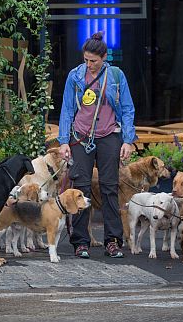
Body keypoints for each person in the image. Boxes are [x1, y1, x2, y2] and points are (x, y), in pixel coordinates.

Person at [57, 32, 136, 259]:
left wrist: (128, 140)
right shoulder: (75, 76)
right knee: (80, 187)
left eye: (94, 61)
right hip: (80, 137)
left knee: (109, 187)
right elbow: (67, 109)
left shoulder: (116, 76)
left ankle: (112, 241)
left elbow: (128, 108)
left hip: (109, 135)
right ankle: (81, 242)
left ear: (104, 57)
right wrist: (64, 141)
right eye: (86, 60)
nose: (89, 65)